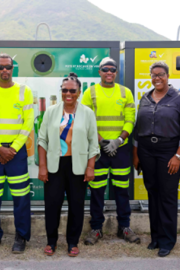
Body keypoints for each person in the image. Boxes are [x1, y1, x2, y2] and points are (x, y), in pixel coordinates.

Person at [133, 61, 180, 257]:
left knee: (167, 195)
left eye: (160, 74)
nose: (157, 78)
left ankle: (168, 240)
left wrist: (178, 155)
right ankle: (156, 237)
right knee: (152, 193)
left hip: (169, 151)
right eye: (153, 75)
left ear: (167, 76)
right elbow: (137, 129)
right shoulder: (145, 98)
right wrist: (136, 155)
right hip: (146, 150)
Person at [38, 73, 100, 257]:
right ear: (61, 91)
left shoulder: (87, 113)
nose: (68, 94)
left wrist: (90, 167)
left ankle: (72, 242)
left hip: (78, 165)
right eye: (64, 90)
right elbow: (42, 140)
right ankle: (52, 241)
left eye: (72, 90)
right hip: (55, 165)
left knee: (76, 205)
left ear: (79, 92)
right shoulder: (51, 112)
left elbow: (93, 143)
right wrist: (42, 166)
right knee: (52, 205)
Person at [82, 57, 140, 245]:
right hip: (97, 151)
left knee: (122, 190)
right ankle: (96, 229)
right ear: (99, 72)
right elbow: (85, 120)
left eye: (112, 70)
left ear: (116, 72)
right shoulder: (89, 92)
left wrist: (119, 139)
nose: (109, 72)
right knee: (97, 190)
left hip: (121, 150)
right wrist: (102, 141)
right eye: (105, 69)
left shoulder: (126, 93)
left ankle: (124, 227)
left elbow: (131, 119)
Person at [0, 53, 33, 253]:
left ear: (13, 68)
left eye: (8, 67)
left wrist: (13, 148)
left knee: (21, 197)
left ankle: (21, 237)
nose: (4, 71)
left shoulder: (24, 91)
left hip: (16, 152)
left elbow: (28, 123)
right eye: (0, 67)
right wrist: (0, 148)